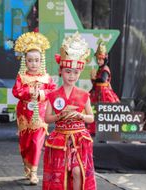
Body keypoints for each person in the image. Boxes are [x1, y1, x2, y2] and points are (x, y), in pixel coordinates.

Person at [43, 32, 96, 190]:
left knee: (77, 171)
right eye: (68, 71)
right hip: (60, 139)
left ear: (79, 73)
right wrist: (60, 115)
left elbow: (91, 118)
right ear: (61, 71)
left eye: (75, 72)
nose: (72, 75)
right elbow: (47, 118)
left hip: (79, 140)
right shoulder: (53, 95)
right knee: (60, 174)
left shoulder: (83, 94)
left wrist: (80, 115)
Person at [13, 32, 56, 185]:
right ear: (25, 61)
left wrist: (42, 94)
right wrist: (30, 92)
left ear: (41, 61)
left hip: (41, 113)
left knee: (37, 142)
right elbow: (16, 91)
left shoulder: (47, 77)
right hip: (24, 113)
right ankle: (27, 165)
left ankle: (34, 172)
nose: (34, 64)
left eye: (37, 60)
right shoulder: (21, 77)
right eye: (30, 60)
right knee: (25, 143)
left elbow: (53, 91)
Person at [88, 42, 120, 135]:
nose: (98, 61)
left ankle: (107, 130)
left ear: (104, 59)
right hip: (97, 92)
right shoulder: (100, 68)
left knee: (105, 112)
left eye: (100, 60)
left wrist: (94, 78)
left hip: (104, 93)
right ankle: (95, 129)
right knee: (95, 110)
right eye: (98, 59)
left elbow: (103, 79)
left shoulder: (105, 69)